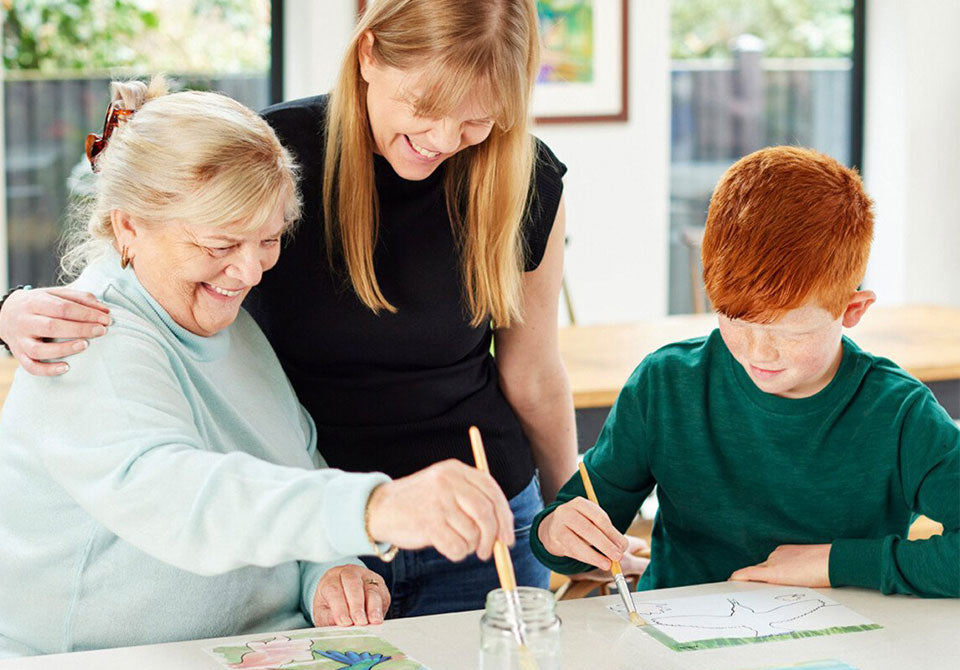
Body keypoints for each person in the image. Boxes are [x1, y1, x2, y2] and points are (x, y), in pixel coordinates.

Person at [0, 0, 578, 616]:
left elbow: (532, 372)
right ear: (369, 53)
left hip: (432, 520)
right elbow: (180, 487)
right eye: (425, 107)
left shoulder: (238, 337)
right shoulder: (271, 157)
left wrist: (565, 500)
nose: (442, 139)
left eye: (476, 120)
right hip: (317, 525)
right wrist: (11, 310)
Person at [531, 146, 960, 598]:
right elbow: (569, 541)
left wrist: (833, 562)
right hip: (680, 653)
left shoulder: (898, 414)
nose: (759, 352)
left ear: (852, 310)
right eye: (735, 320)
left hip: (841, 657)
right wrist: (557, 533)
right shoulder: (665, 386)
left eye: (789, 332)